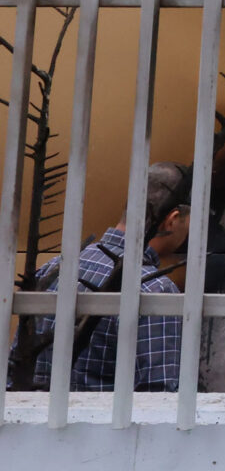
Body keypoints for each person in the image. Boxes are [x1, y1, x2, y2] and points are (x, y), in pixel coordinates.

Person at [7, 161, 191, 392]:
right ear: (172, 219)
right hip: (104, 428)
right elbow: (160, 395)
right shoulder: (155, 289)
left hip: (34, 422)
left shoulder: (55, 268)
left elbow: (16, 369)